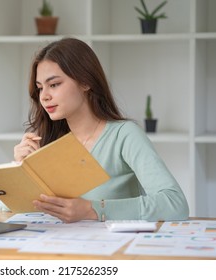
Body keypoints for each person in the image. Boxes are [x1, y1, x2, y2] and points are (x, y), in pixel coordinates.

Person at [13, 37, 189, 223]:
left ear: (85, 82)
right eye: (40, 88)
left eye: (54, 84)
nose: (44, 96)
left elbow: (175, 204)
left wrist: (93, 210)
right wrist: (21, 170)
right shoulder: (48, 142)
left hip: (114, 248)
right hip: (59, 248)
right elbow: (12, 210)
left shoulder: (124, 135)